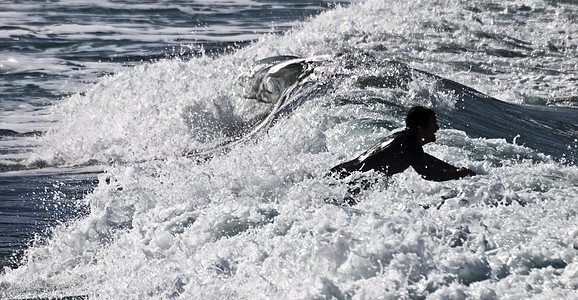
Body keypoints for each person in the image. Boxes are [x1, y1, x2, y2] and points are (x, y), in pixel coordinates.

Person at [330, 106, 476, 182]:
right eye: (433, 123)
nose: (437, 128)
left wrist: (453, 169)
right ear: (420, 128)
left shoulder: (407, 140)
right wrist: (457, 176)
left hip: (341, 176)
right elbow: (427, 173)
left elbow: (424, 158)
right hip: (343, 181)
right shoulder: (408, 142)